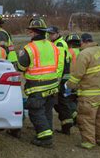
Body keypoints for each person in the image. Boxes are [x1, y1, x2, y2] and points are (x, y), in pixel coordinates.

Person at [16, 18, 64, 147]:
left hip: (37, 86)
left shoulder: (29, 48)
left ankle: (45, 137)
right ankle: (48, 131)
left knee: (36, 111)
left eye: (30, 31)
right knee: (47, 110)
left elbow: (21, 67)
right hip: (53, 85)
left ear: (33, 32)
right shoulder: (53, 46)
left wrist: (18, 59)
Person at [66, 33, 100, 150]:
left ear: (83, 42)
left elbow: (76, 75)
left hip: (89, 94)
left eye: (80, 43)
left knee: (86, 118)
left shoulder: (84, 54)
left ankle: (88, 142)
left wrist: (68, 86)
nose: (80, 46)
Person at [48, 26, 75, 135]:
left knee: (60, 101)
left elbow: (59, 63)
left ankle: (67, 125)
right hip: (63, 76)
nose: (50, 36)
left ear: (58, 33)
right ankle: (67, 123)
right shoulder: (59, 42)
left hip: (61, 77)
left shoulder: (59, 44)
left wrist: (57, 79)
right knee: (61, 101)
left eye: (52, 34)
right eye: (49, 34)